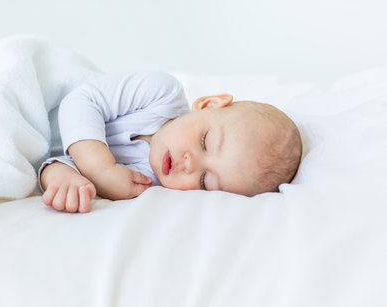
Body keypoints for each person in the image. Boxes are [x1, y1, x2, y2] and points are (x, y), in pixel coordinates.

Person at [39, 71, 302, 213]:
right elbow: (82, 101)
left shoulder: (145, 184)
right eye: (205, 141)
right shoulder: (161, 94)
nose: (190, 164)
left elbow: (60, 161)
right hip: (44, 100)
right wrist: (100, 169)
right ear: (208, 104)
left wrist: (62, 178)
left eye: (204, 181)